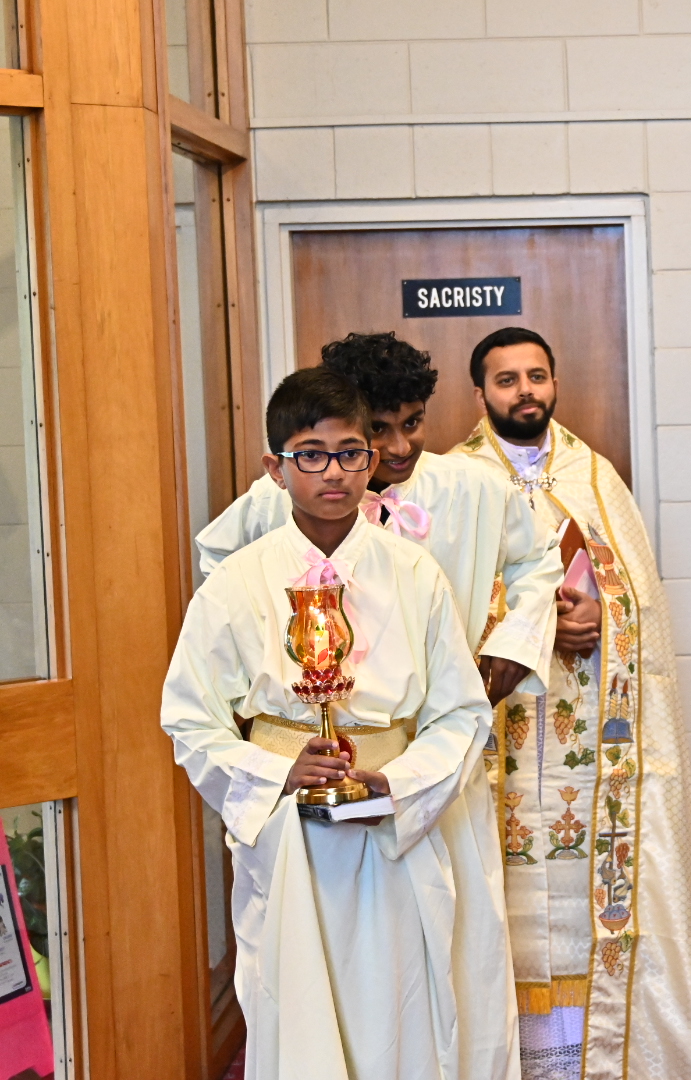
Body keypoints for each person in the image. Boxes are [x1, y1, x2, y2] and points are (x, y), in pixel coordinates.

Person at [160, 369, 518, 1079]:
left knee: (402, 1005)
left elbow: (459, 712)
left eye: (351, 452)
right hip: (288, 827)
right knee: (297, 1007)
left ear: (371, 461)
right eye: (311, 454)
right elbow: (189, 720)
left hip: (393, 823)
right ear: (276, 467)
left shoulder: (414, 573)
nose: (335, 472)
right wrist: (276, 770)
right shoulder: (237, 583)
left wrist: (395, 781)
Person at [454, 327, 691, 1080]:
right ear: (479, 393)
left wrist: (600, 618)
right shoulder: (453, 483)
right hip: (509, 740)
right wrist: (538, 622)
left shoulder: (595, 475)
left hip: (589, 743)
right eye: (508, 379)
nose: (526, 392)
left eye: (537, 376)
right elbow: (444, 609)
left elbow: (639, 603)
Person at [196, 332, 560, 708]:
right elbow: (220, 558)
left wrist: (517, 642)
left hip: (440, 708)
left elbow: (538, 558)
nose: (400, 447)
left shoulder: (473, 486)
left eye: (412, 422)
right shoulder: (285, 492)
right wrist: (264, 651)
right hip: (316, 714)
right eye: (379, 429)